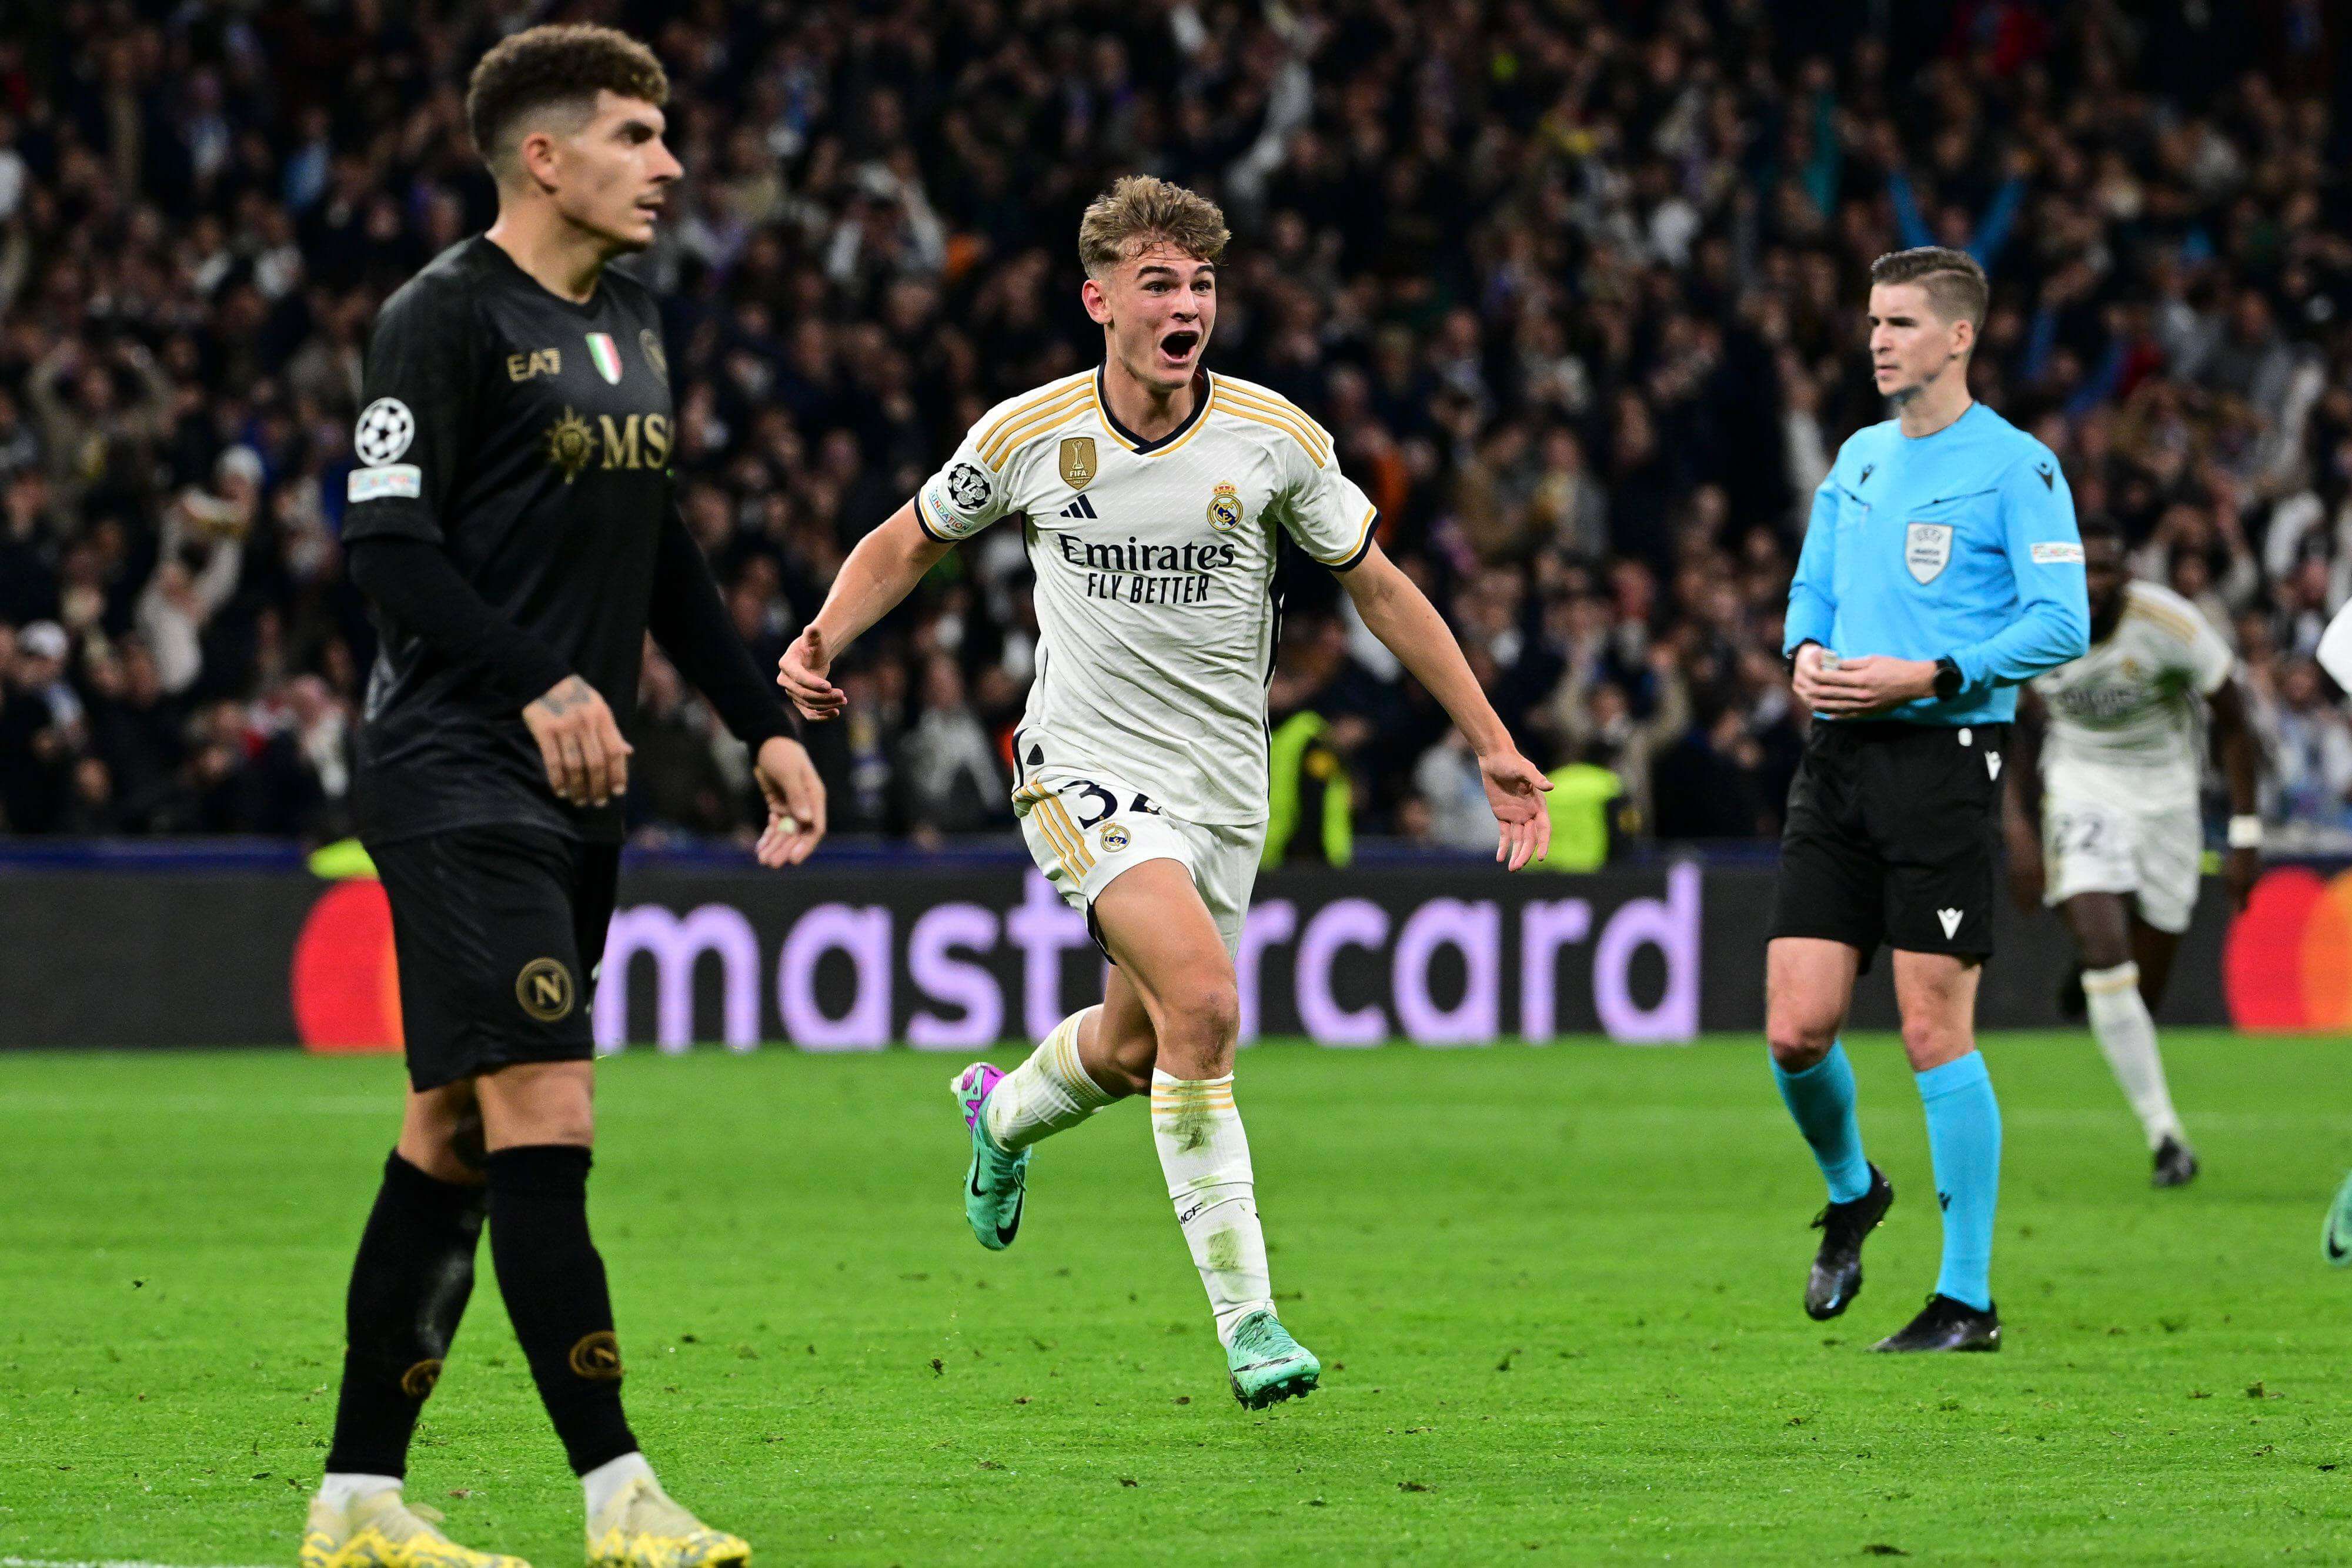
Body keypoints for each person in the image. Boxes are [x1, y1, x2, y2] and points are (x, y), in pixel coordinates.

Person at [777, 175, 1551, 1406]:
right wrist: (821, 638)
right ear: (1099, 301)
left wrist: (1489, 737)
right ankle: (1251, 1326)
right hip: (1077, 767)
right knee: (1203, 999)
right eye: (1158, 283)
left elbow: (1383, 589)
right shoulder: (1028, 435)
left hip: (1219, 791)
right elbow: (908, 539)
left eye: (1200, 283)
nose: (1186, 304)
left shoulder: (1273, 440)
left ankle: (1002, 1117)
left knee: (1142, 1045)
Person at [305, 26, 825, 1568]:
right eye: (635, 135)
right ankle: (620, 1495)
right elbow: (389, 549)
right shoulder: (440, 318)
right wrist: (542, 676)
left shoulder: (637, 320)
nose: (669, 163)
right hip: (460, 770)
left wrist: (760, 723)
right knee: (548, 1107)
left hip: (572, 785)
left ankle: (355, 1503)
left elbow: (660, 557)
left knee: (452, 1135)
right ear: (546, 156)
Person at [1768, 246, 2089, 1353]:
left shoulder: (2018, 467)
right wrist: (1804, 652)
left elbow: (2063, 621)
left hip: (1948, 759)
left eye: (1900, 322)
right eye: (1872, 321)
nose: (1876, 339)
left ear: (1960, 337)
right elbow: (1810, 591)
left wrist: (1939, 671)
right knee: (1797, 1028)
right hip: (1838, 758)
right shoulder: (1856, 459)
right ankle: (1854, 1190)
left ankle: (1967, 1298)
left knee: (1926, 1027)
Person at [2003, 516, 2261, 1187]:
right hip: (2081, 784)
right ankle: (2165, 1136)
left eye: (2105, 571)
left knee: (2141, 988)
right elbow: (2004, 728)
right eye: (2078, 572)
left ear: (2128, 573)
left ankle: (2092, 973)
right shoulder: (2030, 624)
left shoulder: (2169, 626)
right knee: (2107, 953)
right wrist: (2020, 833)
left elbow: (2235, 725)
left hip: (2168, 799)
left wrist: (2244, 835)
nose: (2090, 587)